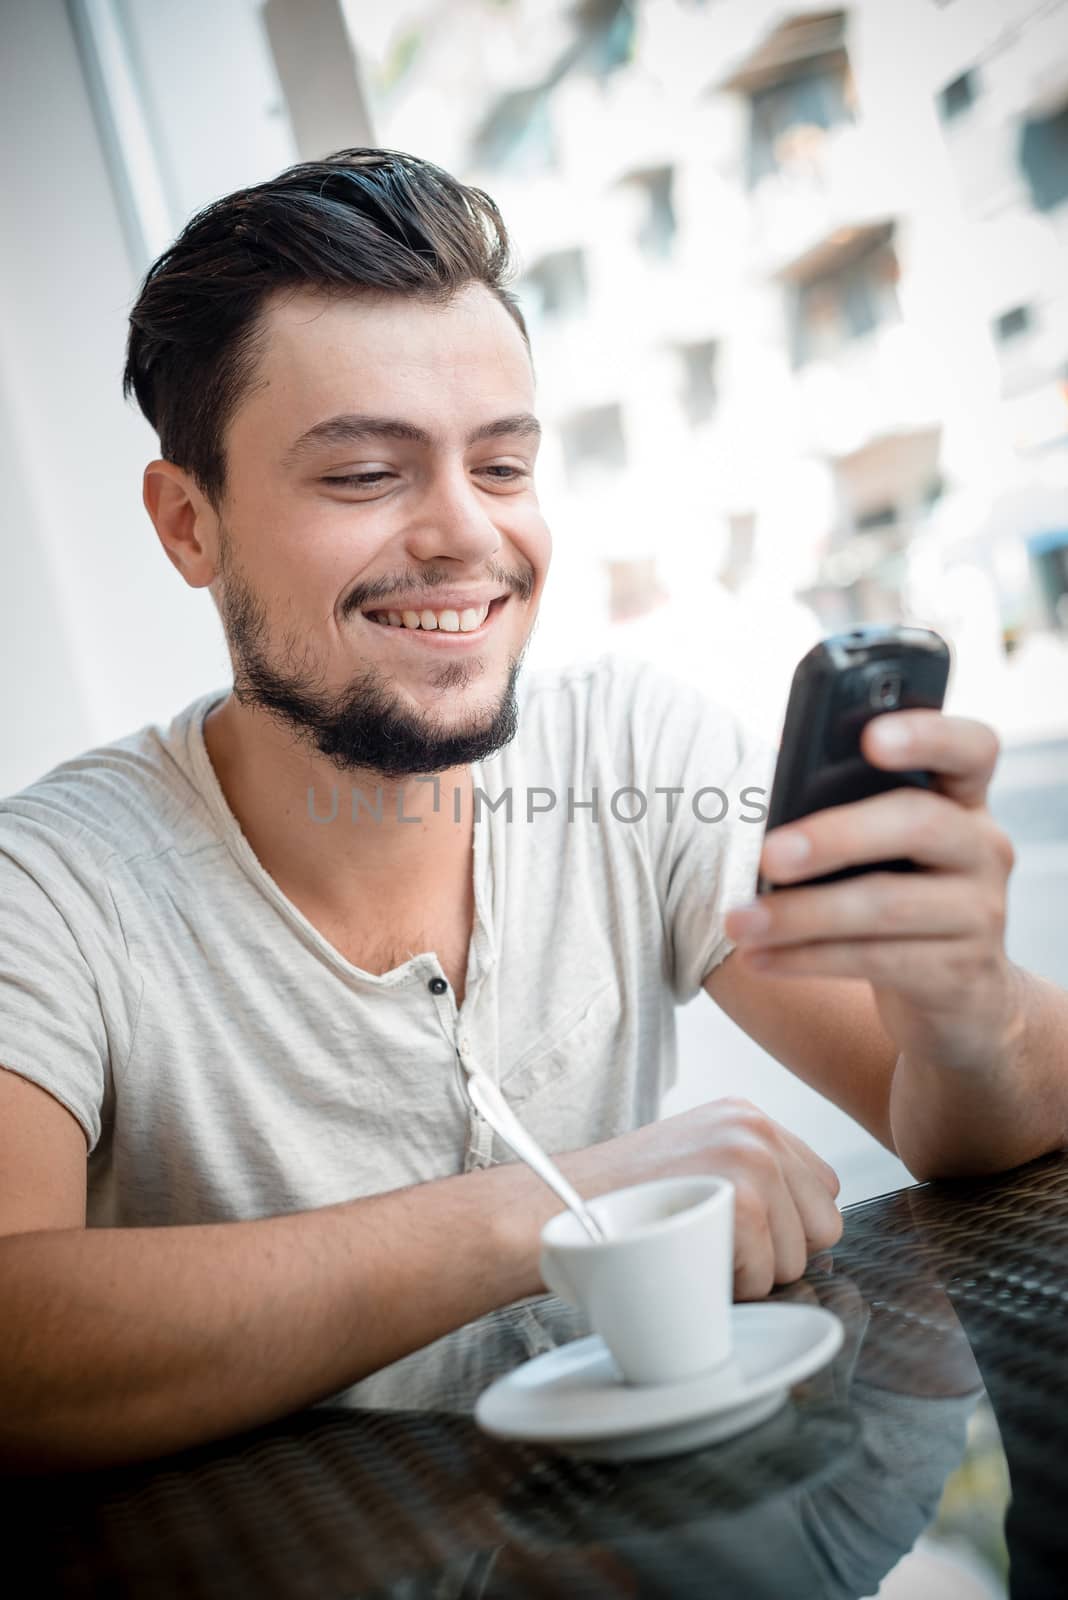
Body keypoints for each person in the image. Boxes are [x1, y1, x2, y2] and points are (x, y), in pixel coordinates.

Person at [1, 149, 1065, 1475]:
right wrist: (548, 1216)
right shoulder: (46, 886)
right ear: (188, 526)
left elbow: (966, 1123)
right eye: (364, 475)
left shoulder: (633, 745)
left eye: (502, 467)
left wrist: (973, 1014)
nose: (467, 536)